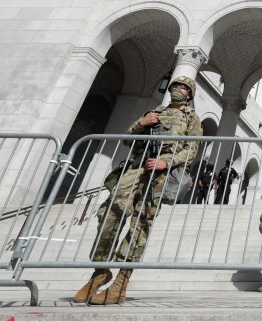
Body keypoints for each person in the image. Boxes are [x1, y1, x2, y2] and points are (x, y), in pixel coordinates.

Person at [74, 76, 201, 305]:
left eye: (183, 87)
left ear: (190, 94)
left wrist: (167, 162)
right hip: (138, 167)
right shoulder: (154, 112)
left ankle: (121, 282)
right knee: (109, 213)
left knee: (141, 224)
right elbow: (127, 139)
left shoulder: (192, 118)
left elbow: (191, 151)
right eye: (175, 86)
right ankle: (100, 270)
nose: (177, 90)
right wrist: (141, 124)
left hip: (161, 175)